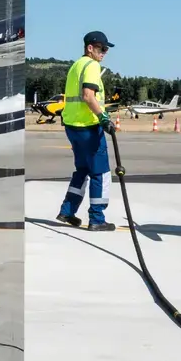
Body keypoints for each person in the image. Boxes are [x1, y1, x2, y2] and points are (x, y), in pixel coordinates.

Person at [57, 31, 118, 232]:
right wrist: (103, 118)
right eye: (102, 48)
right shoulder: (92, 65)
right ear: (90, 48)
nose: (104, 53)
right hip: (89, 127)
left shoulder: (76, 65)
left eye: (106, 49)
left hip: (72, 126)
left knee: (82, 170)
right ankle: (97, 218)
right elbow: (88, 96)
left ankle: (67, 210)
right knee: (101, 173)